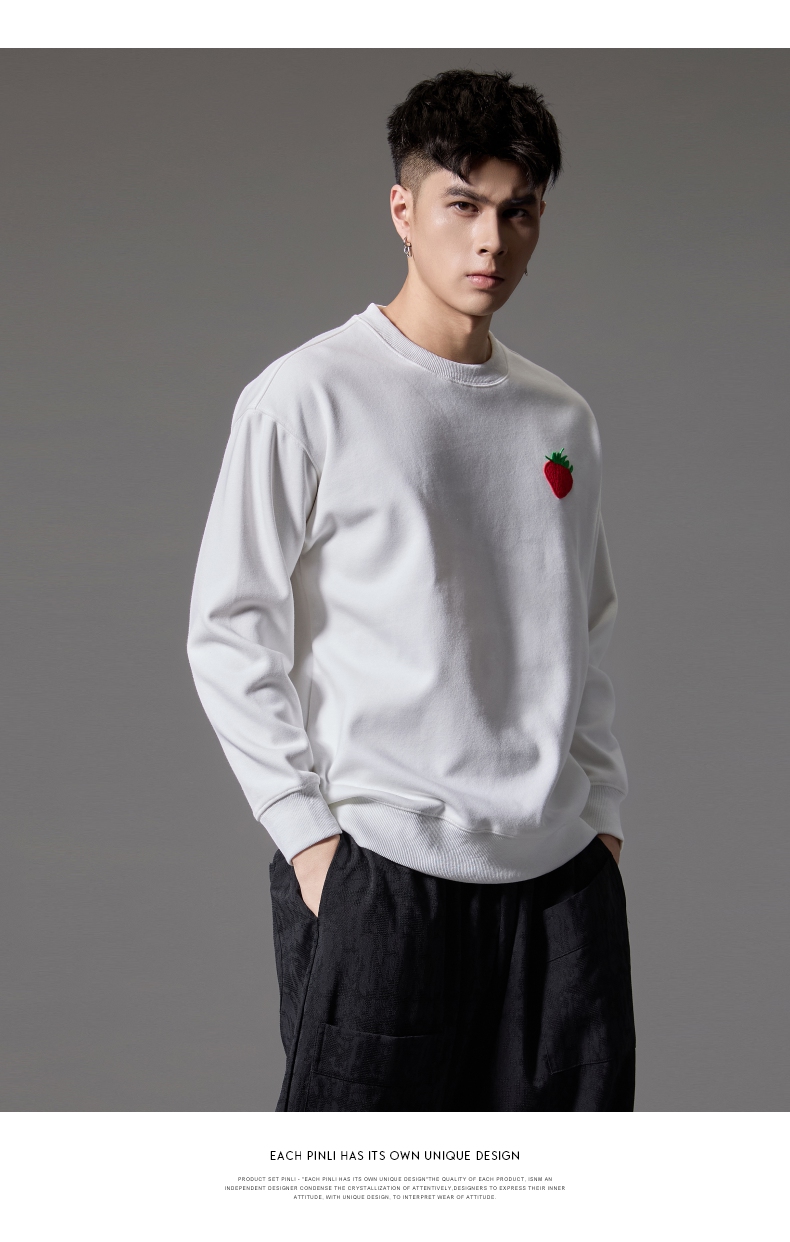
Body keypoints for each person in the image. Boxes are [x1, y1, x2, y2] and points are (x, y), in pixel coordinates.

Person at [187, 68, 636, 1111]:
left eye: (518, 211)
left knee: (575, 1187)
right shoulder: (307, 396)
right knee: (368, 1183)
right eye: (462, 206)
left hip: (560, 888)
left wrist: (603, 816)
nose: (491, 242)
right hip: (382, 875)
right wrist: (310, 843)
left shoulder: (559, 418)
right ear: (403, 210)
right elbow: (228, 628)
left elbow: (584, 626)